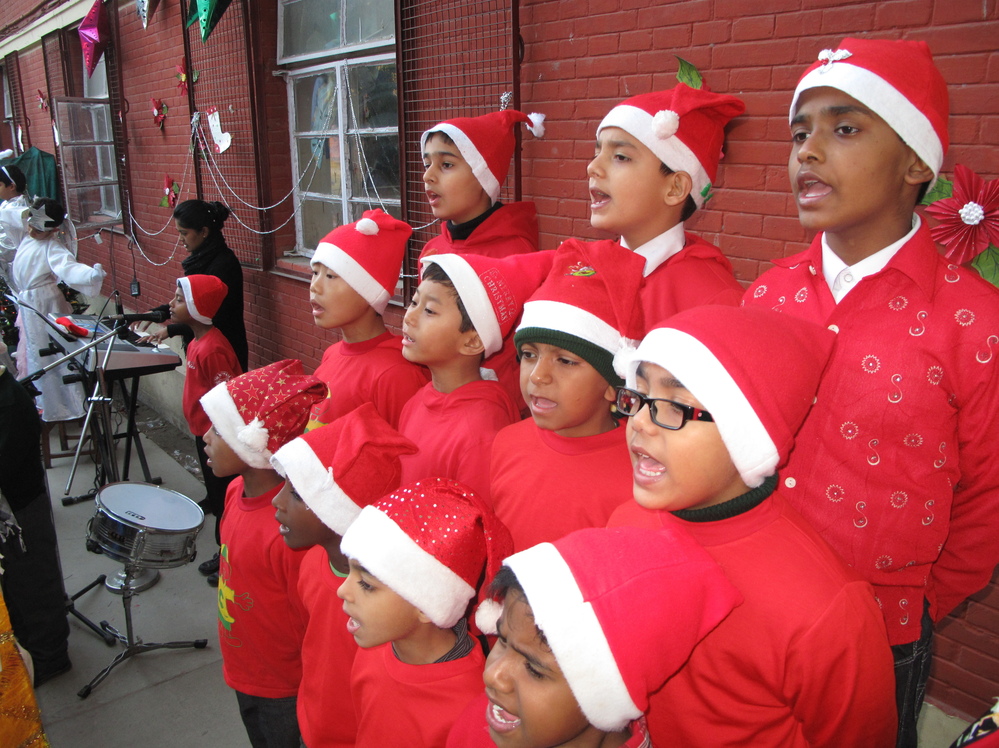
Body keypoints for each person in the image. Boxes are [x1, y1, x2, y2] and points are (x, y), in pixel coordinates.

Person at [741, 38, 999, 747]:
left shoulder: (973, 323)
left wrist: (909, 605)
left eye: (843, 128)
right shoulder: (765, 294)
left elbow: (986, 501)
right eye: (800, 133)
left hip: (880, 639)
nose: (807, 151)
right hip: (748, 612)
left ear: (915, 163)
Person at [609, 305, 897, 747]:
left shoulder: (827, 610)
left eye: (675, 405)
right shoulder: (627, 523)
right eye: (640, 397)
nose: (640, 423)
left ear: (747, 435)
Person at [447, 524, 741, 748]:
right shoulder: (479, 724)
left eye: (534, 669)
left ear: (604, 698)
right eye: (503, 641)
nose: (493, 675)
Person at [270, 402, 417, 748]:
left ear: (335, 511)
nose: (276, 502)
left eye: (295, 492)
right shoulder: (309, 563)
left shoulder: (387, 600)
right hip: (311, 723)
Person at [198, 359, 327, 748]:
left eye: (218, 430)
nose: (205, 436)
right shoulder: (235, 491)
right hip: (244, 668)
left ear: (252, 443)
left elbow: (311, 623)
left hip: (283, 688)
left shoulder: (287, 528)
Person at [489, 238, 644, 550]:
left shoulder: (640, 476)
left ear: (613, 387)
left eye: (565, 361)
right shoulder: (507, 443)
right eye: (529, 355)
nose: (538, 375)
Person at [337, 477, 513, 748]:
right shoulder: (371, 653)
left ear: (426, 605)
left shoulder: (472, 705)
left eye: (366, 584)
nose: (342, 591)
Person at [398, 251, 550, 500]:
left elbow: (473, 529)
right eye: (414, 303)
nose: (409, 317)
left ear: (472, 342)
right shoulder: (416, 402)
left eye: (430, 311)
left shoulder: (480, 431)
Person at [589, 84, 745, 328]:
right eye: (596, 152)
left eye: (620, 156)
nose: (592, 167)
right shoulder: (580, 269)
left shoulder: (716, 301)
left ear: (675, 188)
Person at [305, 209, 428, 432]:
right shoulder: (331, 354)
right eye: (315, 272)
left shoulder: (395, 374)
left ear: (368, 291)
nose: (315, 286)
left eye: (331, 276)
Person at [0, 361, 71, 687]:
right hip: (13, 509)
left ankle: (48, 659)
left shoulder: (10, 402)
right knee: (17, 587)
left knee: (34, 586)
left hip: (22, 510)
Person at [4, 198, 105, 422]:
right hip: (30, 302)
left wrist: (90, 275)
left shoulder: (52, 246)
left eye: (39, 228)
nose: (32, 230)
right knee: (36, 353)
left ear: (53, 230)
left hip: (45, 303)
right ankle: (46, 401)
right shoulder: (27, 237)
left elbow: (67, 267)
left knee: (53, 354)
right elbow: (8, 215)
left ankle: (67, 404)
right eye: (31, 224)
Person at [171, 273, 242, 561]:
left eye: (178, 299)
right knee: (215, 495)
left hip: (215, 437)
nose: (171, 304)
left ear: (196, 306)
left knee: (223, 496)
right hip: (203, 434)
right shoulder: (196, 342)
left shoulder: (212, 348)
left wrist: (218, 436)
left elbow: (226, 398)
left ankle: (227, 552)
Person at [420, 109, 544, 260]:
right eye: (427, 165)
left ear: (483, 176)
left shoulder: (515, 257)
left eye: (446, 164)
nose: (427, 176)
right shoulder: (431, 251)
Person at [141, 200, 248, 371]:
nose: (180, 239)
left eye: (184, 233)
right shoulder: (199, 260)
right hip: (201, 346)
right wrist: (156, 314)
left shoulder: (223, 264)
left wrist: (172, 329)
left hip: (222, 349)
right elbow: (187, 301)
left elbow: (212, 315)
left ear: (204, 231)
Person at [0, 164, 29, 282]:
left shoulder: (16, 209)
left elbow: (7, 244)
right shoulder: (7, 204)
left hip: (18, 265)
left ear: (11, 186)